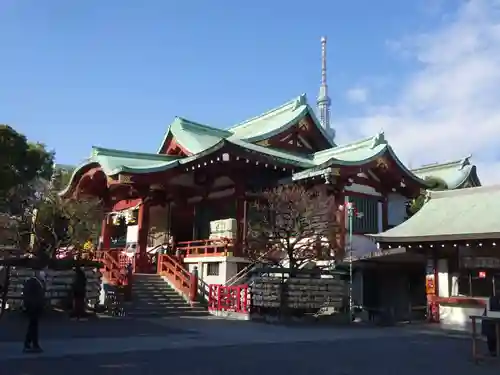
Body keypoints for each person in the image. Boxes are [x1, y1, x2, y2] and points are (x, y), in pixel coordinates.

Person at [22, 269, 46, 353]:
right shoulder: (33, 283)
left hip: (34, 307)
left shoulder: (37, 282)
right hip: (33, 307)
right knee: (33, 326)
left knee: (32, 326)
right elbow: (31, 295)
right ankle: (33, 344)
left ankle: (29, 343)